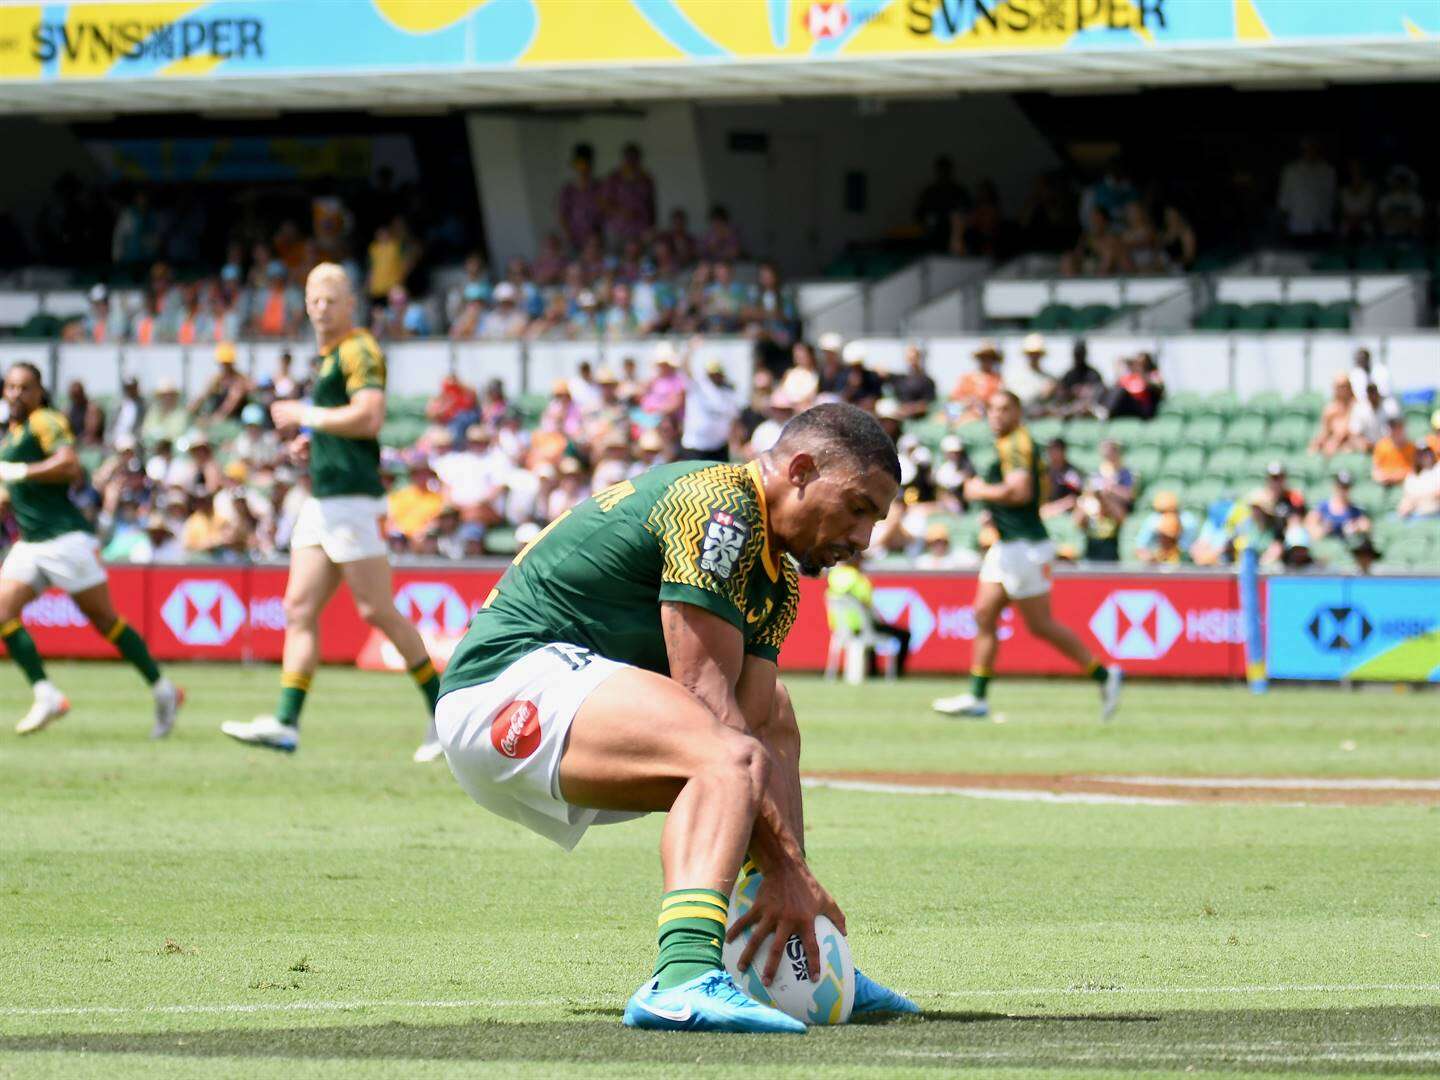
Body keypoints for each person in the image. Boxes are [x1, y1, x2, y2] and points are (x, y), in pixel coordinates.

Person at [433, 402, 915, 1032]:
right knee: (725, 752)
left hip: (577, 703)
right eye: (857, 508)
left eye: (875, 520)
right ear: (799, 469)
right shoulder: (720, 508)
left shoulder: (780, 580)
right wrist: (790, 870)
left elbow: (754, 722)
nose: (863, 539)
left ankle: (805, 960)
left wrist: (791, 879)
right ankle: (682, 978)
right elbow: (706, 704)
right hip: (504, 693)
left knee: (772, 720)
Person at [220, 264, 442, 762]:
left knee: (376, 611)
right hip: (325, 498)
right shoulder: (330, 355)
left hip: (352, 500)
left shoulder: (358, 349)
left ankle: (445, 713)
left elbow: (370, 415)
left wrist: (306, 415)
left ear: (350, 304)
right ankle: (285, 722)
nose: (321, 308)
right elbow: (346, 425)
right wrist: (312, 443)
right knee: (298, 608)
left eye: (330, 300)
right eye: (314, 299)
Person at [0, 362, 183, 738]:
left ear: (39, 392)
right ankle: (46, 693)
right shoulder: (15, 433)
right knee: (2, 612)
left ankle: (164, 690)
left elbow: (69, 465)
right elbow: (9, 495)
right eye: (11, 387)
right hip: (32, 543)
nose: (16, 394)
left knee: (105, 622)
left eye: (25, 387)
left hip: (65, 540)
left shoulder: (44, 421)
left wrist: (19, 472)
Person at [933, 391, 1122, 721]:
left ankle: (1104, 675)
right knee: (984, 614)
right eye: (992, 408)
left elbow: (1019, 491)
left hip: (1026, 546)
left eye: (1005, 409)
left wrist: (978, 491)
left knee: (1040, 625)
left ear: (1018, 412)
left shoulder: (1017, 442)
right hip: (1008, 545)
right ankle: (977, 697)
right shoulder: (1010, 442)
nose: (996, 415)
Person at [825, 554, 911, 676]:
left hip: (840, 629)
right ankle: (897, 673)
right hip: (862, 626)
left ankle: (873, 671)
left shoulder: (833, 576)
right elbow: (866, 605)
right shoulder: (859, 579)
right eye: (860, 559)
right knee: (904, 634)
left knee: (871, 629)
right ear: (855, 560)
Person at [680, 350, 742, 463]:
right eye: (712, 374)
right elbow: (685, 368)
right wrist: (690, 349)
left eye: (717, 374)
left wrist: (735, 444)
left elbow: (733, 420)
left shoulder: (729, 393)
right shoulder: (699, 386)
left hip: (719, 446)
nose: (715, 377)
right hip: (696, 445)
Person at [1277, 137, 1336, 242]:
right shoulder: (1290, 171)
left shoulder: (1328, 171)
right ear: (1302, 150)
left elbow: (1331, 198)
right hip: (1298, 226)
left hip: (1321, 226)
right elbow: (1284, 200)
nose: (1310, 151)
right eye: (1307, 148)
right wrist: (1283, 222)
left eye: (1313, 147)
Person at [1309, 372, 1366, 456]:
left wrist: (1336, 441)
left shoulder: (1357, 406)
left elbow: (1350, 430)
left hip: (1351, 443)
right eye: (1337, 387)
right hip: (1334, 445)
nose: (1340, 390)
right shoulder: (1330, 409)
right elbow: (1325, 432)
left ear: (1349, 387)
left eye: (1343, 386)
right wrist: (1317, 444)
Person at [1304, 470, 1370, 541]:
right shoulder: (1323, 507)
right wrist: (1324, 529)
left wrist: (1356, 527)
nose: (1342, 491)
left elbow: (1366, 525)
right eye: (1340, 487)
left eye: (1345, 488)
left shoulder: (1353, 510)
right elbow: (1309, 526)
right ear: (1335, 487)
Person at [949, 341, 1003, 421]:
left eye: (989, 358)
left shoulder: (998, 379)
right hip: (964, 412)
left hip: (985, 415)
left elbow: (999, 400)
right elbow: (954, 397)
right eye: (983, 358)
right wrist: (967, 402)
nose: (986, 361)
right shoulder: (966, 378)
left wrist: (982, 403)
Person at [1008, 333, 1056, 413]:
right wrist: (1041, 395)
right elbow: (1019, 401)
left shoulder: (1049, 378)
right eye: (1031, 354)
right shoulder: (1015, 377)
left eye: (1037, 354)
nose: (1034, 356)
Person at [890, 344, 937, 420]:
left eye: (915, 357)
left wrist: (909, 409)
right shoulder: (899, 379)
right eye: (910, 358)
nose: (912, 361)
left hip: (919, 419)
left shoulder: (927, 380)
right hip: (898, 419)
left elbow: (927, 404)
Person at [1372, 416, 1417, 487]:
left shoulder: (1412, 447)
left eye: (1399, 427)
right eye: (1393, 427)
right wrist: (1383, 477)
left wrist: (1393, 477)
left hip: (1404, 484)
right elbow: (1375, 471)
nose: (1396, 431)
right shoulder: (1381, 445)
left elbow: (1414, 471)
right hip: (1385, 485)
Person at [1397, 446, 1440, 518]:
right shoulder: (1411, 477)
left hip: (1435, 513)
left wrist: (1419, 498)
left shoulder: (1438, 469)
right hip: (1417, 515)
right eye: (1422, 454)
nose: (1426, 456)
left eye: (1428, 453)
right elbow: (1407, 498)